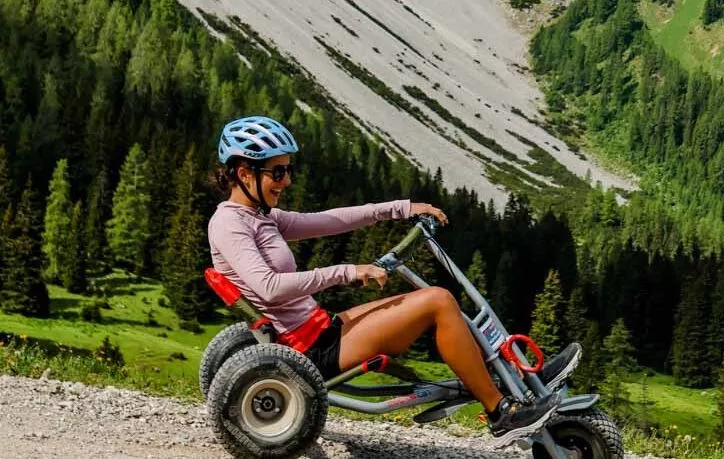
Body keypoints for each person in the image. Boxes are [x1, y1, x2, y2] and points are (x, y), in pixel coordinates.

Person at [208, 116, 576, 446]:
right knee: (437, 301)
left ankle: (516, 377)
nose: (286, 180)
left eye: (288, 170)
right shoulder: (230, 224)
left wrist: (401, 209)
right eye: (277, 172)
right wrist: (350, 271)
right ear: (244, 172)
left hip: (321, 331)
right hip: (309, 350)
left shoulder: (262, 216)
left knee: (436, 301)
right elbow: (267, 287)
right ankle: (501, 414)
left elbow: (333, 220)